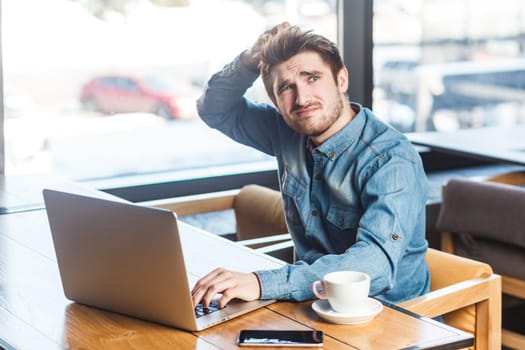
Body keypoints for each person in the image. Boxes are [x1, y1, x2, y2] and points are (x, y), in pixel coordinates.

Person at [192, 22, 430, 310]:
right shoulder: (286, 131)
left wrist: (262, 283)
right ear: (275, 101)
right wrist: (251, 60)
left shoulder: (390, 158)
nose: (302, 98)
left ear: (341, 80)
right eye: (287, 88)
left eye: (313, 78)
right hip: (309, 305)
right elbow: (213, 109)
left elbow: (374, 263)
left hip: (388, 318)